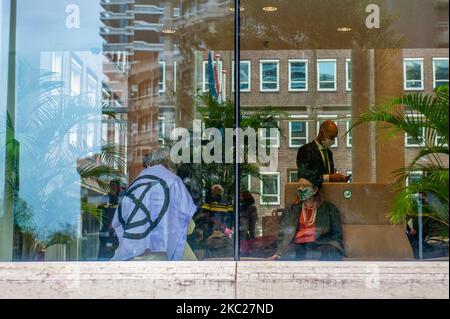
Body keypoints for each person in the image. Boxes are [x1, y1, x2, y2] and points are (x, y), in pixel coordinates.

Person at [111, 151, 197, 261]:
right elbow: (188, 228)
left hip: (138, 259)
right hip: (169, 259)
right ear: (168, 165)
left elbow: (120, 223)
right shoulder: (173, 184)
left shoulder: (134, 187)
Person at [270, 170, 345, 261]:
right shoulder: (291, 210)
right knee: (290, 253)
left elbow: (337, 234)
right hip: (298, 244)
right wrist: (279, 252)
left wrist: (335, 247)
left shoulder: (329, 208)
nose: (300, 189)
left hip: (322, 243)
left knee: (329, 253)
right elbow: (283, 233)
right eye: (299, 186)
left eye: (305, 186)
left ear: (315, 189)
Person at [97, 180, 122, 261]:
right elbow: (98, 212)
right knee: (104, 254)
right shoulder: (106, 198)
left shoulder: (121, 199)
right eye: (111, 186)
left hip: (118, 232)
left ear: (118, 188)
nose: (113, 188)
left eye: (115, 186)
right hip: (107, 232)